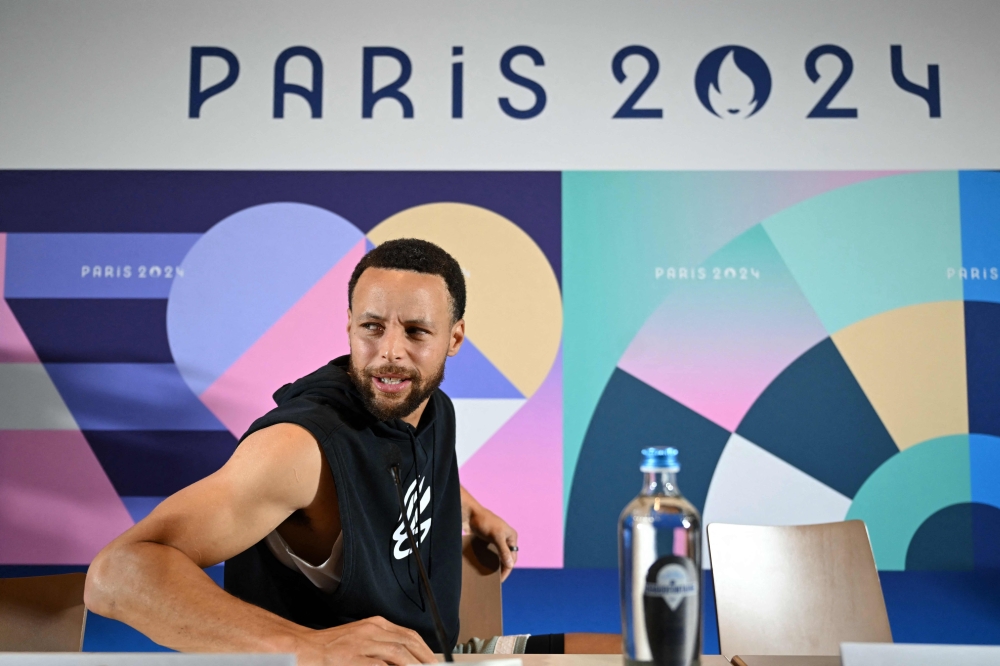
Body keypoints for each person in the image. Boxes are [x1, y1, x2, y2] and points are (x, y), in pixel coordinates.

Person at [85, 238, 616, 665]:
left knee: (637, 653)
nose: (390, 352)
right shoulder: (299, 449)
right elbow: (116, 575)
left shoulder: (430, 409)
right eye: (372, 327)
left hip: (442, 655)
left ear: (454, 339)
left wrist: (471, 508)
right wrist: (306, 646)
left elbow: (394, 463)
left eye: (416, 332)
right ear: (349, 326)